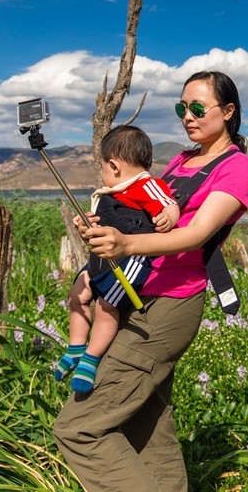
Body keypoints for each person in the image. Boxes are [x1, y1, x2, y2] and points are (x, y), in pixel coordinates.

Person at [54, 71, 248, 492]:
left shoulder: (238, 169)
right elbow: (147, 216)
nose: (188, 116)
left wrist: (126, 244)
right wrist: (103, 226)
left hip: (169, 305)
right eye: (182, 108)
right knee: (147, 424)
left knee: (79, 429)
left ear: (229, 111)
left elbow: (197, 233)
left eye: (198, 108)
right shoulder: (183, 161)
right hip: (137, 295)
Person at [54, 124, 180, 393]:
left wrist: (169, 217)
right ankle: (76, 346)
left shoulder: (147, 185)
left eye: (101, 168)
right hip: (101, 260)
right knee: (77, 293)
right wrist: (85, 224)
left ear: (114, 166)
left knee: (106, 305)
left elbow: (169, 203)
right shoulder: (109, 194)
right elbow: (99, 226)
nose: (101, 175)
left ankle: (91, 357)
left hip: (131, 261)